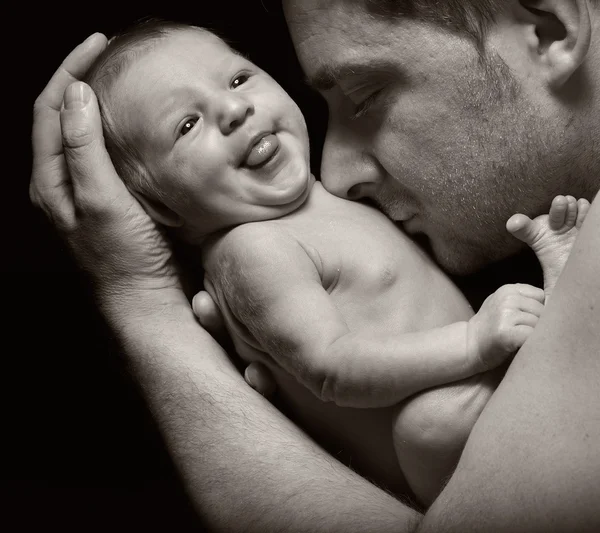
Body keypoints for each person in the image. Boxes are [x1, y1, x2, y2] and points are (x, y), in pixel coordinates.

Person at [30, 0, 599, 531]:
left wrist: (141, 298)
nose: (337, 167)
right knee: (436, 422)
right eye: (185, 126)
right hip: (438, 422)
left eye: (364, 94)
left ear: (549, 29)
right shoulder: (257, 248)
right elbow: (332, 368)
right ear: (156, 203)